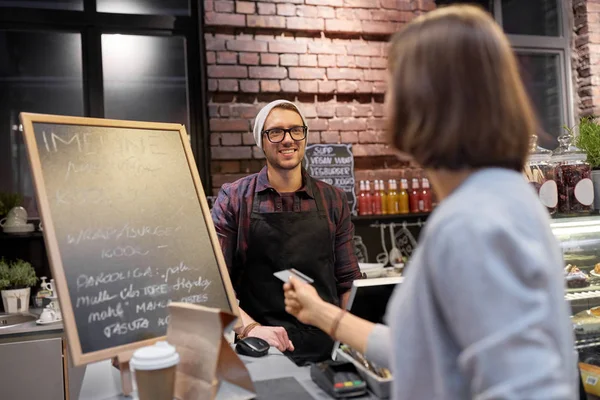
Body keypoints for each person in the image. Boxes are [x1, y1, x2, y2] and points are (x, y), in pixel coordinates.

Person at [283, 5, 578, 399]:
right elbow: (423, 352)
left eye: (391, 85)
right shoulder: (499, 198)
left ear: (424, 100)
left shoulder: (472, 223)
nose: (384, 101)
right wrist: (321, 313)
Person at [211, 99, 362, 366]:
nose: (287, 139)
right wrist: (249, 329)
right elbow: (214, 283)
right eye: (276, 132)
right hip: (263, 347)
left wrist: (353, 339)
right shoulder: (234, 199)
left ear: (304, 135)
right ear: (262, 140)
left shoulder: (333, 199)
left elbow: (347, 280)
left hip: (326, 346)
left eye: (296, 130)